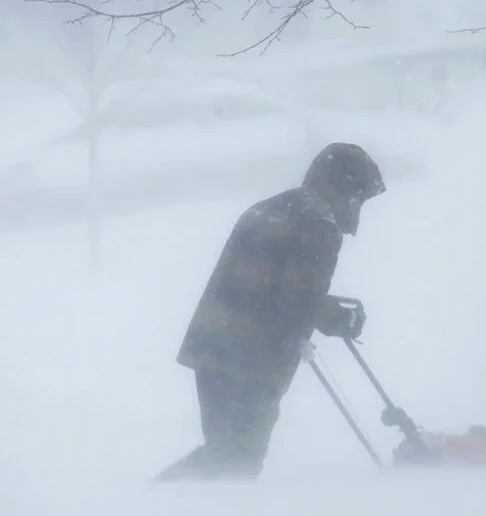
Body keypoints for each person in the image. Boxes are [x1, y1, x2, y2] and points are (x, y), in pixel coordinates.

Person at [155, 142, 387, 481]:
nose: (358, 205)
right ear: (346, 188)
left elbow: (274, 286)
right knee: (238, 460)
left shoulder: (271, 208)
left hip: (212, 346)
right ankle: (152, 500)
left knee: (224, 452)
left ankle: (161, 498)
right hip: (253, 358)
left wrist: (322, 309)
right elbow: (297, 299)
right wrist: (338, 318)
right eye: (359, 196)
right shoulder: (319, 222)